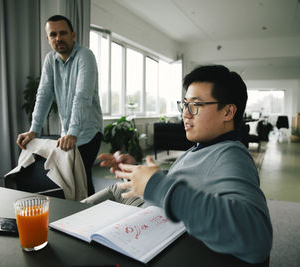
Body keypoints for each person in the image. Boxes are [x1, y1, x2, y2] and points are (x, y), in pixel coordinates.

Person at [96, 65, 272, 264]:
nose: (185, 115)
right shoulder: (204, 146)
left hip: (157, 223)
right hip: (152, 211)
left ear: (228, 112)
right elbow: (189, 179)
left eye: (195, 105)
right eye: (185, 105)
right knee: (112, 191)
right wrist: (137, 171)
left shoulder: (232, 157)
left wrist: (157, 185)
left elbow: (257, 239)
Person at [17, 15, 103, 196]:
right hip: (68, 133)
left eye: (63, 33)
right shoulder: (50, 60)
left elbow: (82, 96)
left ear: (73, 35)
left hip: (88, 132)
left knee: (82, 179)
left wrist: (72, 132)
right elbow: (43, 95)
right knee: (69, 181)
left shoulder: (85, 56)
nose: (58, 38)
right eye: (53, 34)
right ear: (48, 39)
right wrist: (34, 130)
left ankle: (91, 216)